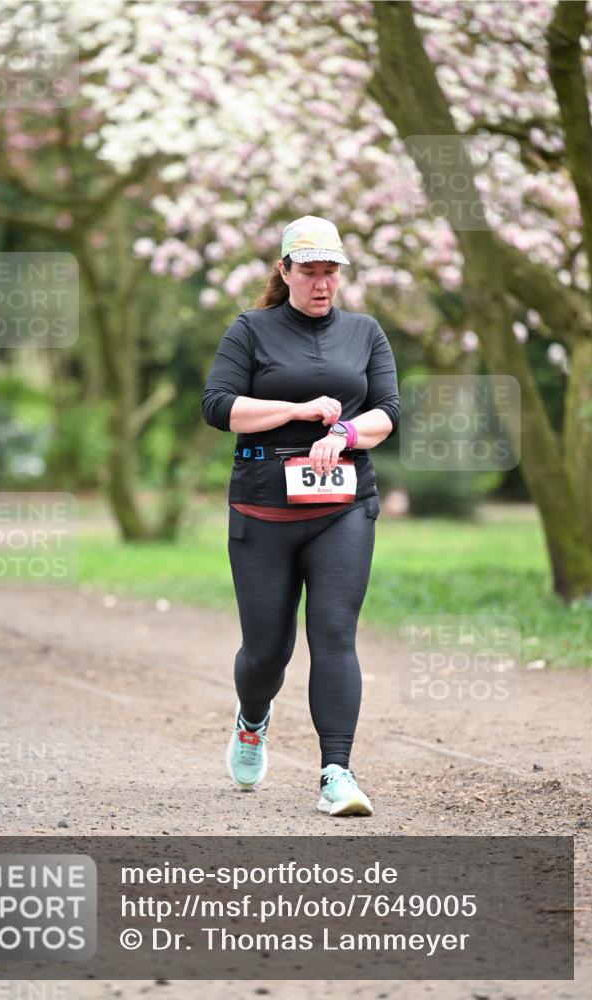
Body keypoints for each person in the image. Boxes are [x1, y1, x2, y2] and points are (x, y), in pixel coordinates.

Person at [201, 215, 400, 817]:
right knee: (267, 650)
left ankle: (336, 773)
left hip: (343, 506)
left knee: (335, 633)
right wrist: (297, 408)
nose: (322, 283)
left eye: (331, 272)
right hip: (262, 508)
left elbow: (388, 412)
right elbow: (218, 408)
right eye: (309, 271)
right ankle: (252, 720)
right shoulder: (250, 331)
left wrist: (341, 430)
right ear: (284, 271)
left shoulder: (365, 333)